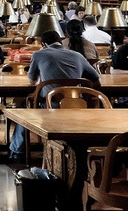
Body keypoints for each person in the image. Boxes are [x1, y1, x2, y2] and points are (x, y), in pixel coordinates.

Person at [11, 31, 103, 160]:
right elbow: (96, 81)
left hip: (49, 106)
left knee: (24, 110)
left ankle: (17, 152)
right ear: (61, 41)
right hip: (77, 106)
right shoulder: (77, 55)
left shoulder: (39, 54)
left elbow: (32, 80)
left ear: (44, 44)